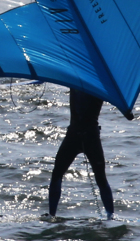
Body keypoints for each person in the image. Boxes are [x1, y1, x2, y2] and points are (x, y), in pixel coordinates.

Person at [47, 89, 115, 220]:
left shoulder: (95, 86)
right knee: (57, 174)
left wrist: (127, 111)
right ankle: (51, 215)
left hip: (87, 136)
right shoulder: (95, 84)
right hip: (79, 135)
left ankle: (110, 216)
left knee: (100, 178)